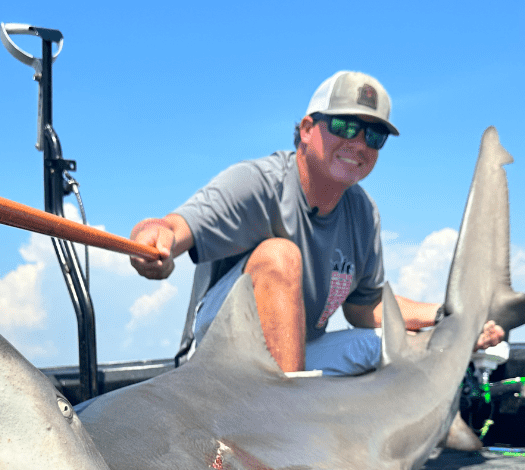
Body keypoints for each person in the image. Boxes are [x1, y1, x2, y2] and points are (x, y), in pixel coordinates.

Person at [129, 70, 503, 375]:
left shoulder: (363, 212)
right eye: (343, 125)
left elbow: (365, 308)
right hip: (218, 359)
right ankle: (287, 437)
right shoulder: (259, 182)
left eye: (374, 136)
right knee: (279, 256)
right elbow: (171, 228)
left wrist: (448, 319)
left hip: (299, 352)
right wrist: (152, 241)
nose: (359, 143)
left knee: (393, 346)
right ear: (307, 129)